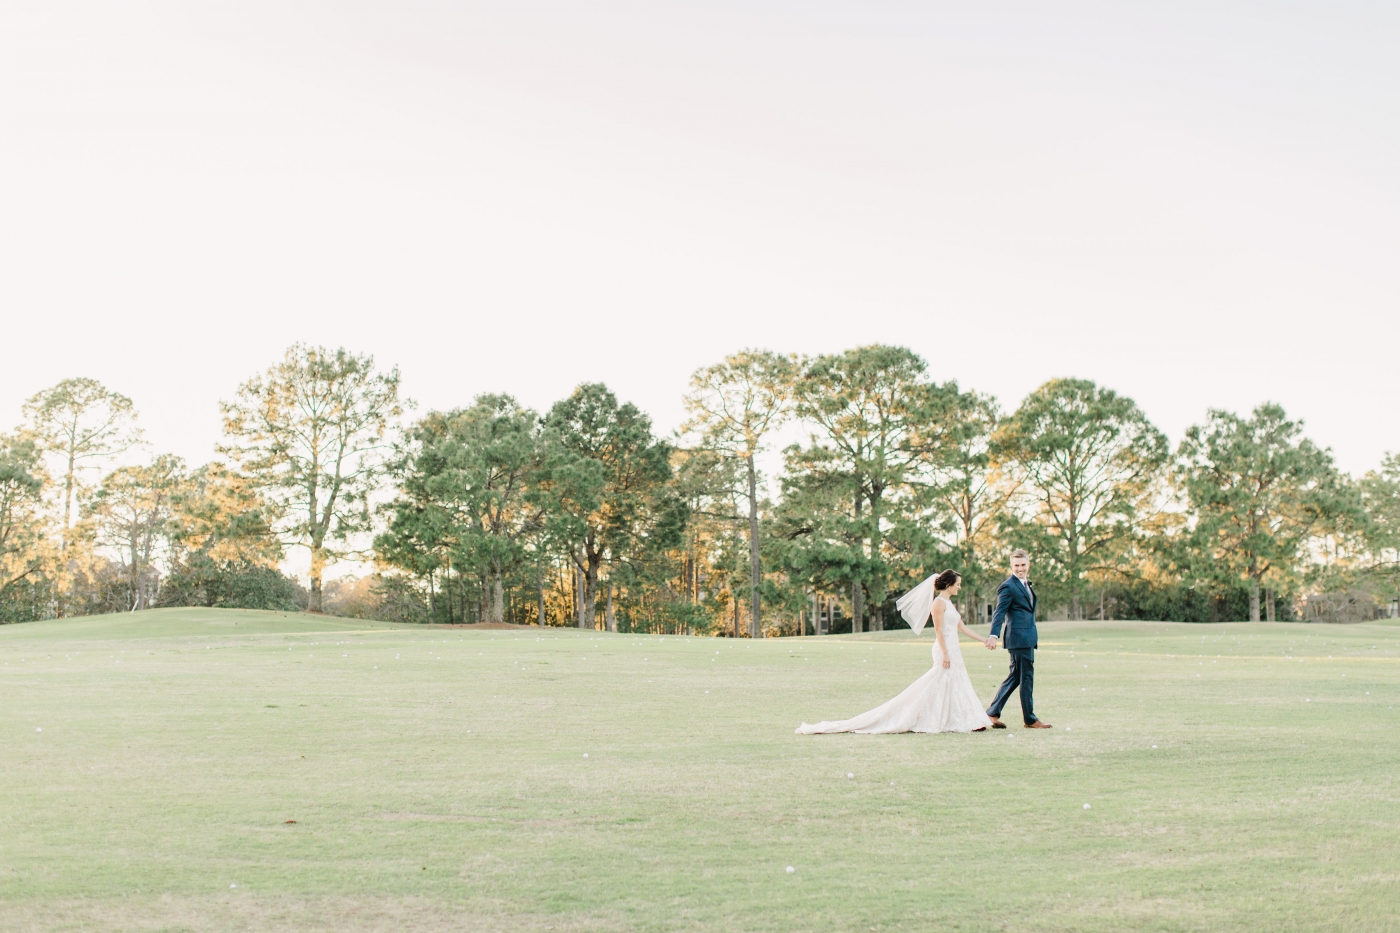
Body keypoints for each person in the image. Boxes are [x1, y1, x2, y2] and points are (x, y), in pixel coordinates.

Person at [795, 570, 996, 735]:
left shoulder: (949, 603)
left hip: (954, 649)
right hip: (944, 649)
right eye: (958, 584)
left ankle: (964, 719)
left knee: (956, 682)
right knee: (938, 683)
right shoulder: (938, 604)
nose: (960, 587)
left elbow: (962, 627)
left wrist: (984, 640)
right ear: (949, 584)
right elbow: (938, 630)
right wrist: (944, 652)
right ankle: (930, 718)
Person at [985, 549, 1052, 729]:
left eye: (1023, 565)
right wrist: (993, 634)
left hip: (1026, 637)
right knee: (1026, 677)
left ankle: (992, 712)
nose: (1020, 569)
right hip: (1019, 638)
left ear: (1028, 564)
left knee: (1015, 676)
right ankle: (1029, 719)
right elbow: (999, 612)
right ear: (1011, 566)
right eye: (1016, 565)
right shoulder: (1008, 586)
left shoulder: (1025, 584)